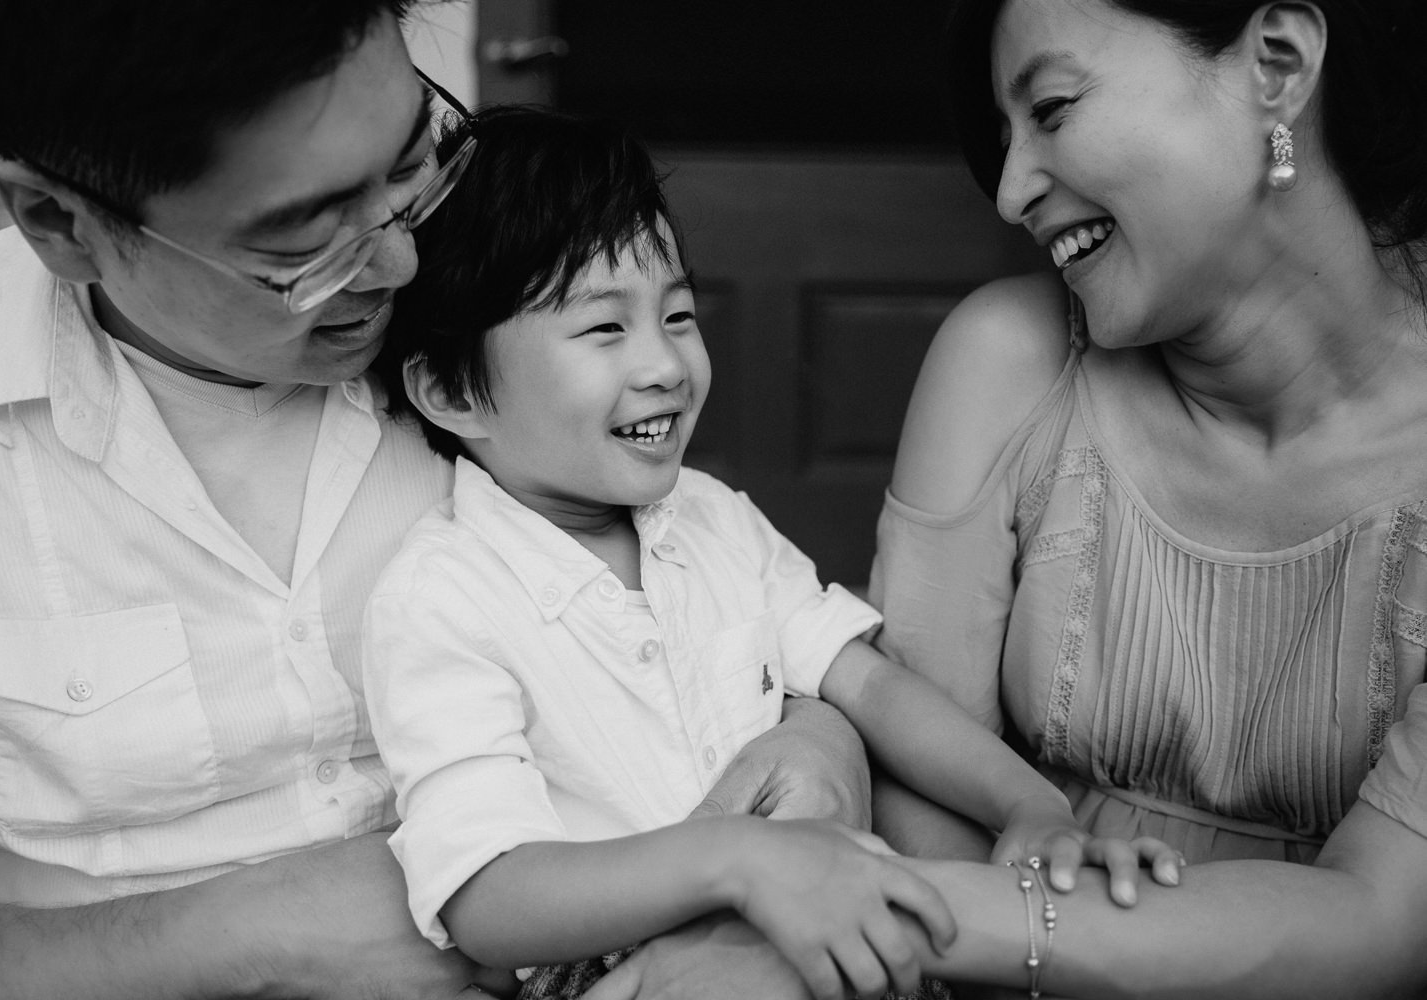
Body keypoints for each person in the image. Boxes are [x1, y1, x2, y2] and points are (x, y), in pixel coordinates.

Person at [0, 4, 875, 998]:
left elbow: (713, 593)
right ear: (60, 223)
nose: (398, 262)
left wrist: (820, 736)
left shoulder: (493, 323)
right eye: (303, 242)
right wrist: (251, 936)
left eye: (416, 158)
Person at [661, 0, 1427, 997]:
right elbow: (921, 777)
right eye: (1007, 136)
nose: (1013, 189)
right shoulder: (1009, 363)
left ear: (1277, 65)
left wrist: (849, 906)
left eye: (1054, 107)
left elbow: (1379, 918)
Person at [364, 105, 1183, 1000]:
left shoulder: (712, 520)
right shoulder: (441, 597)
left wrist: (1028, 805)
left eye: (677, 314)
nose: (667, 365)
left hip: (802, 919)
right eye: (605, 329)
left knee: (995, 909)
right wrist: (738, 860)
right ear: (452, 390)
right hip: (616, 968)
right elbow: (490, 898)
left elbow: (866, 684)